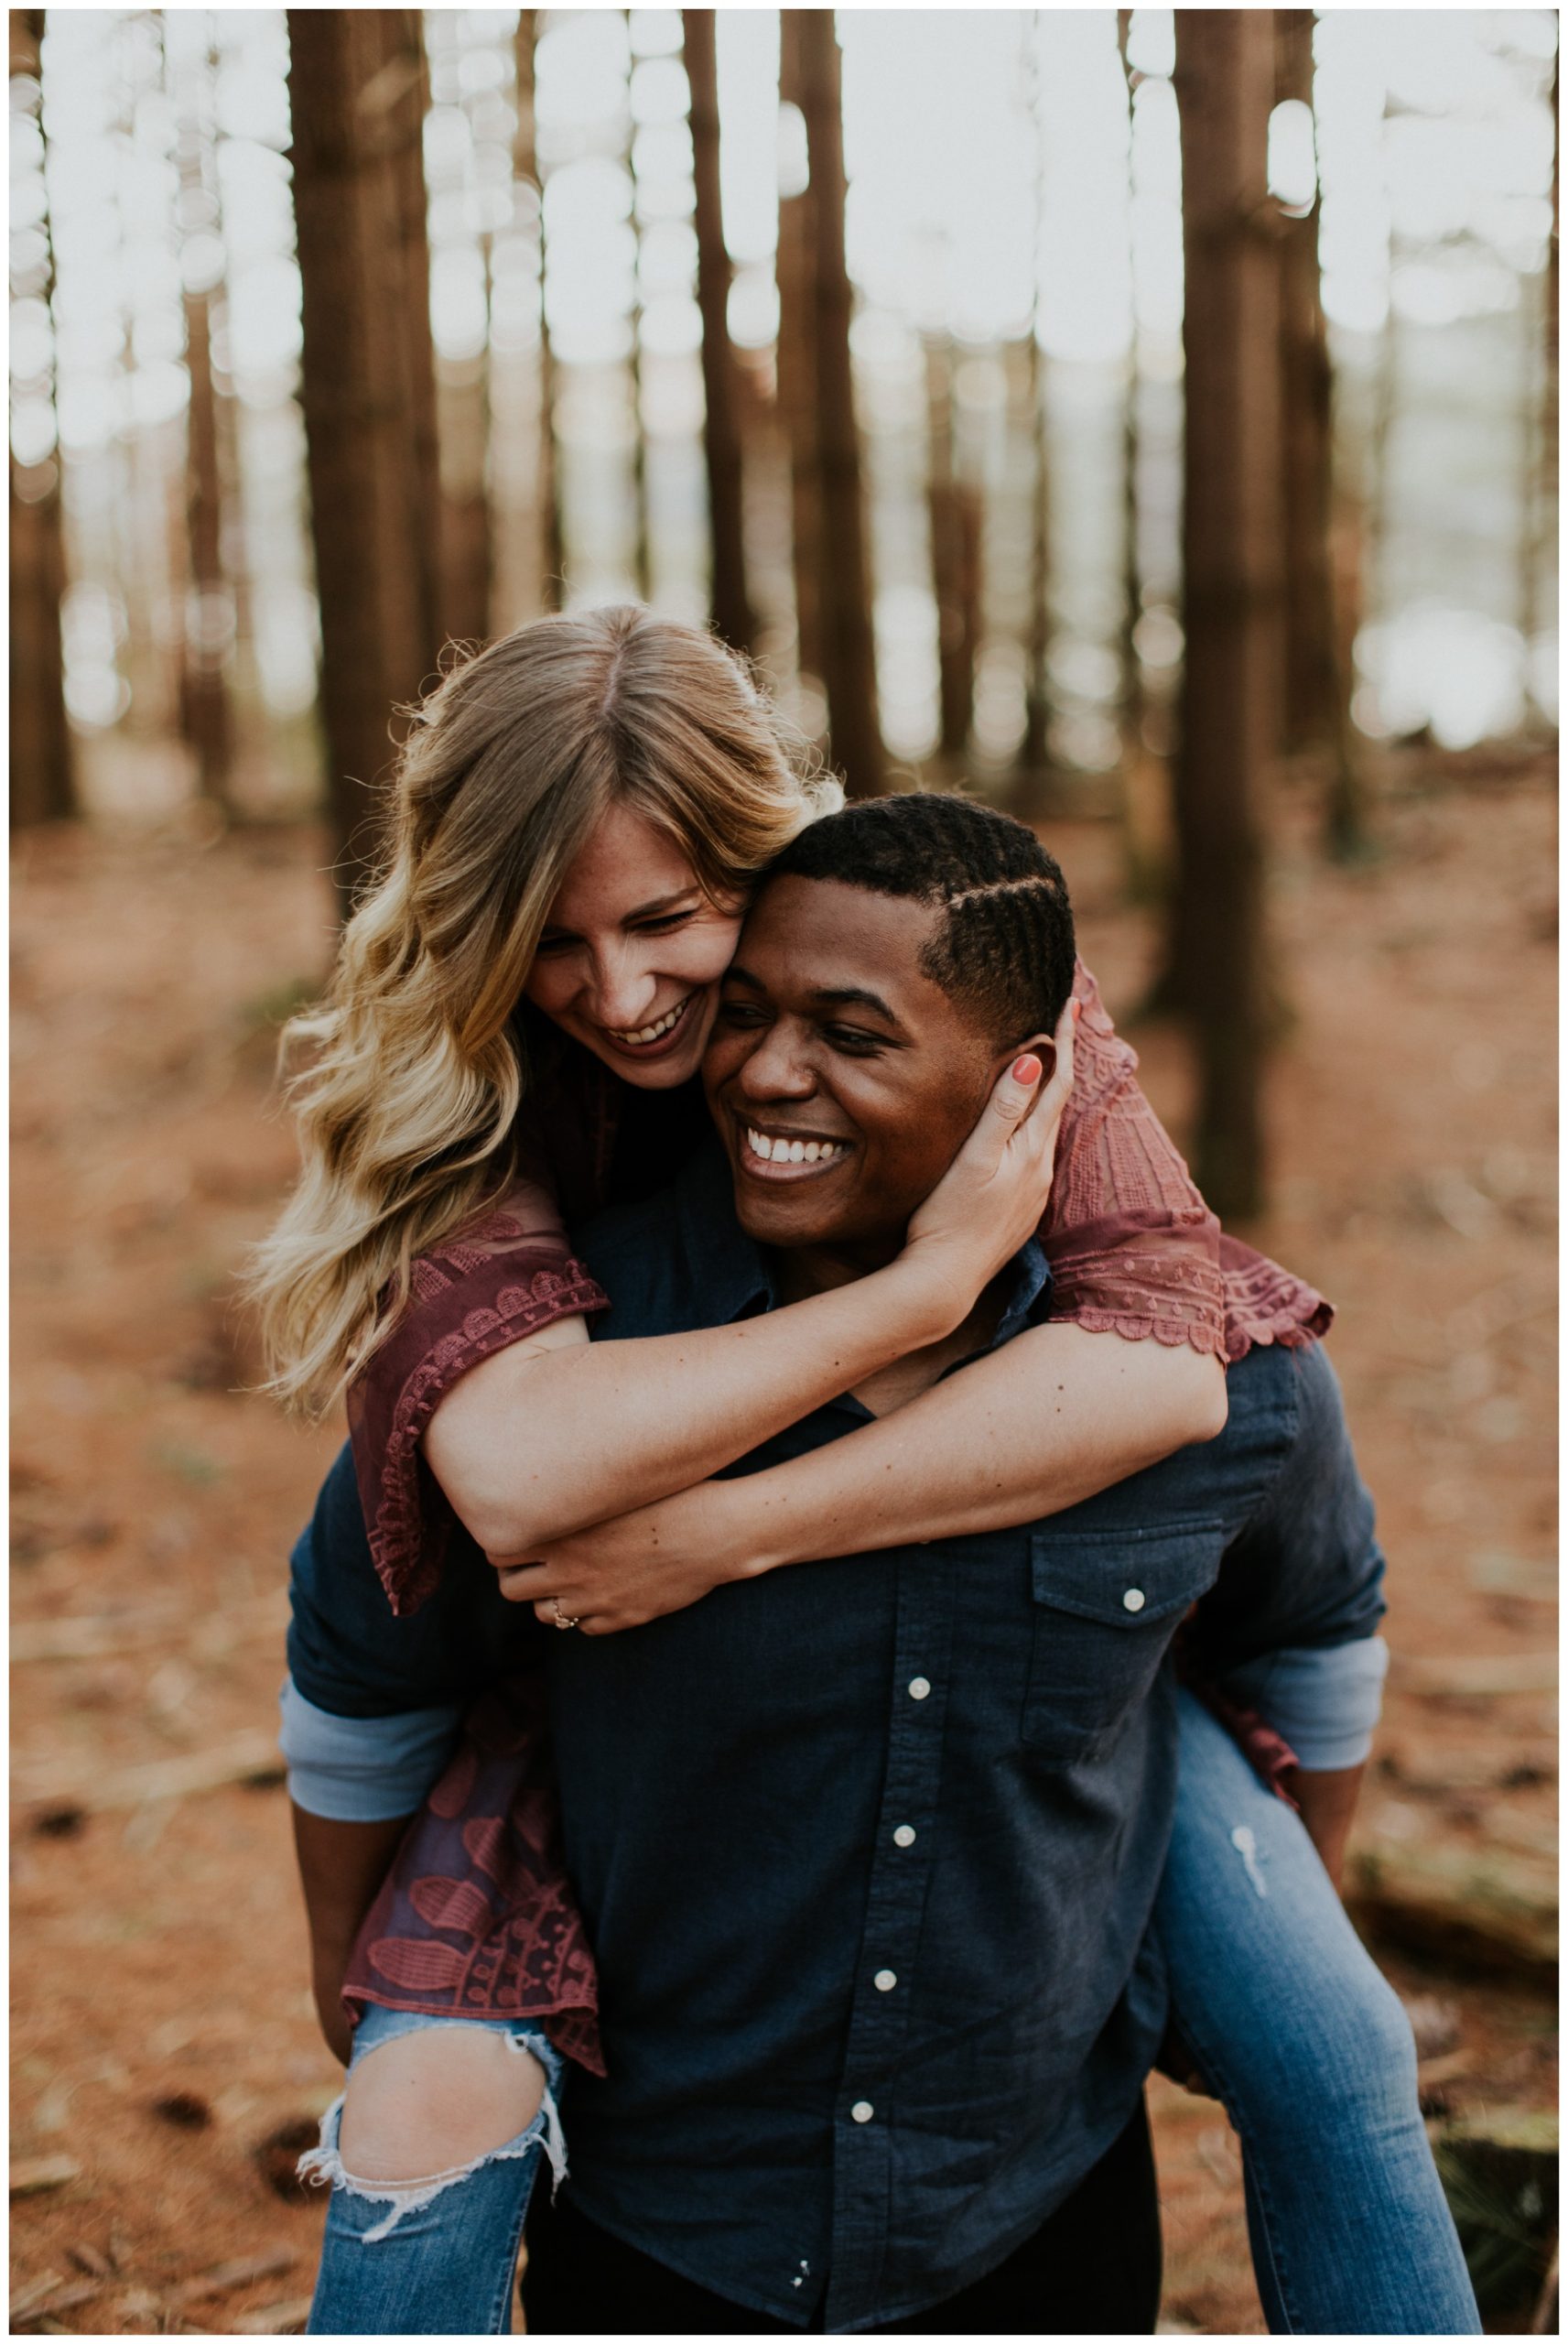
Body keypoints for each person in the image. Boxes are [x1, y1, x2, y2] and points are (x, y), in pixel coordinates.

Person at [249, 613, 1474, 2331]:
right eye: (554, 940)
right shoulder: (490, 1110)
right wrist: (906, 1292)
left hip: (1047, 1756)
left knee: (1334, 2040)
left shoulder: (978, 983)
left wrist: (731, 1526)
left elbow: (1176, 1377)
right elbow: (502, 1496)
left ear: (774, 858)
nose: (625, 999)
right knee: (424, 2105)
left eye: (673, 922)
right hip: (643, 1898)